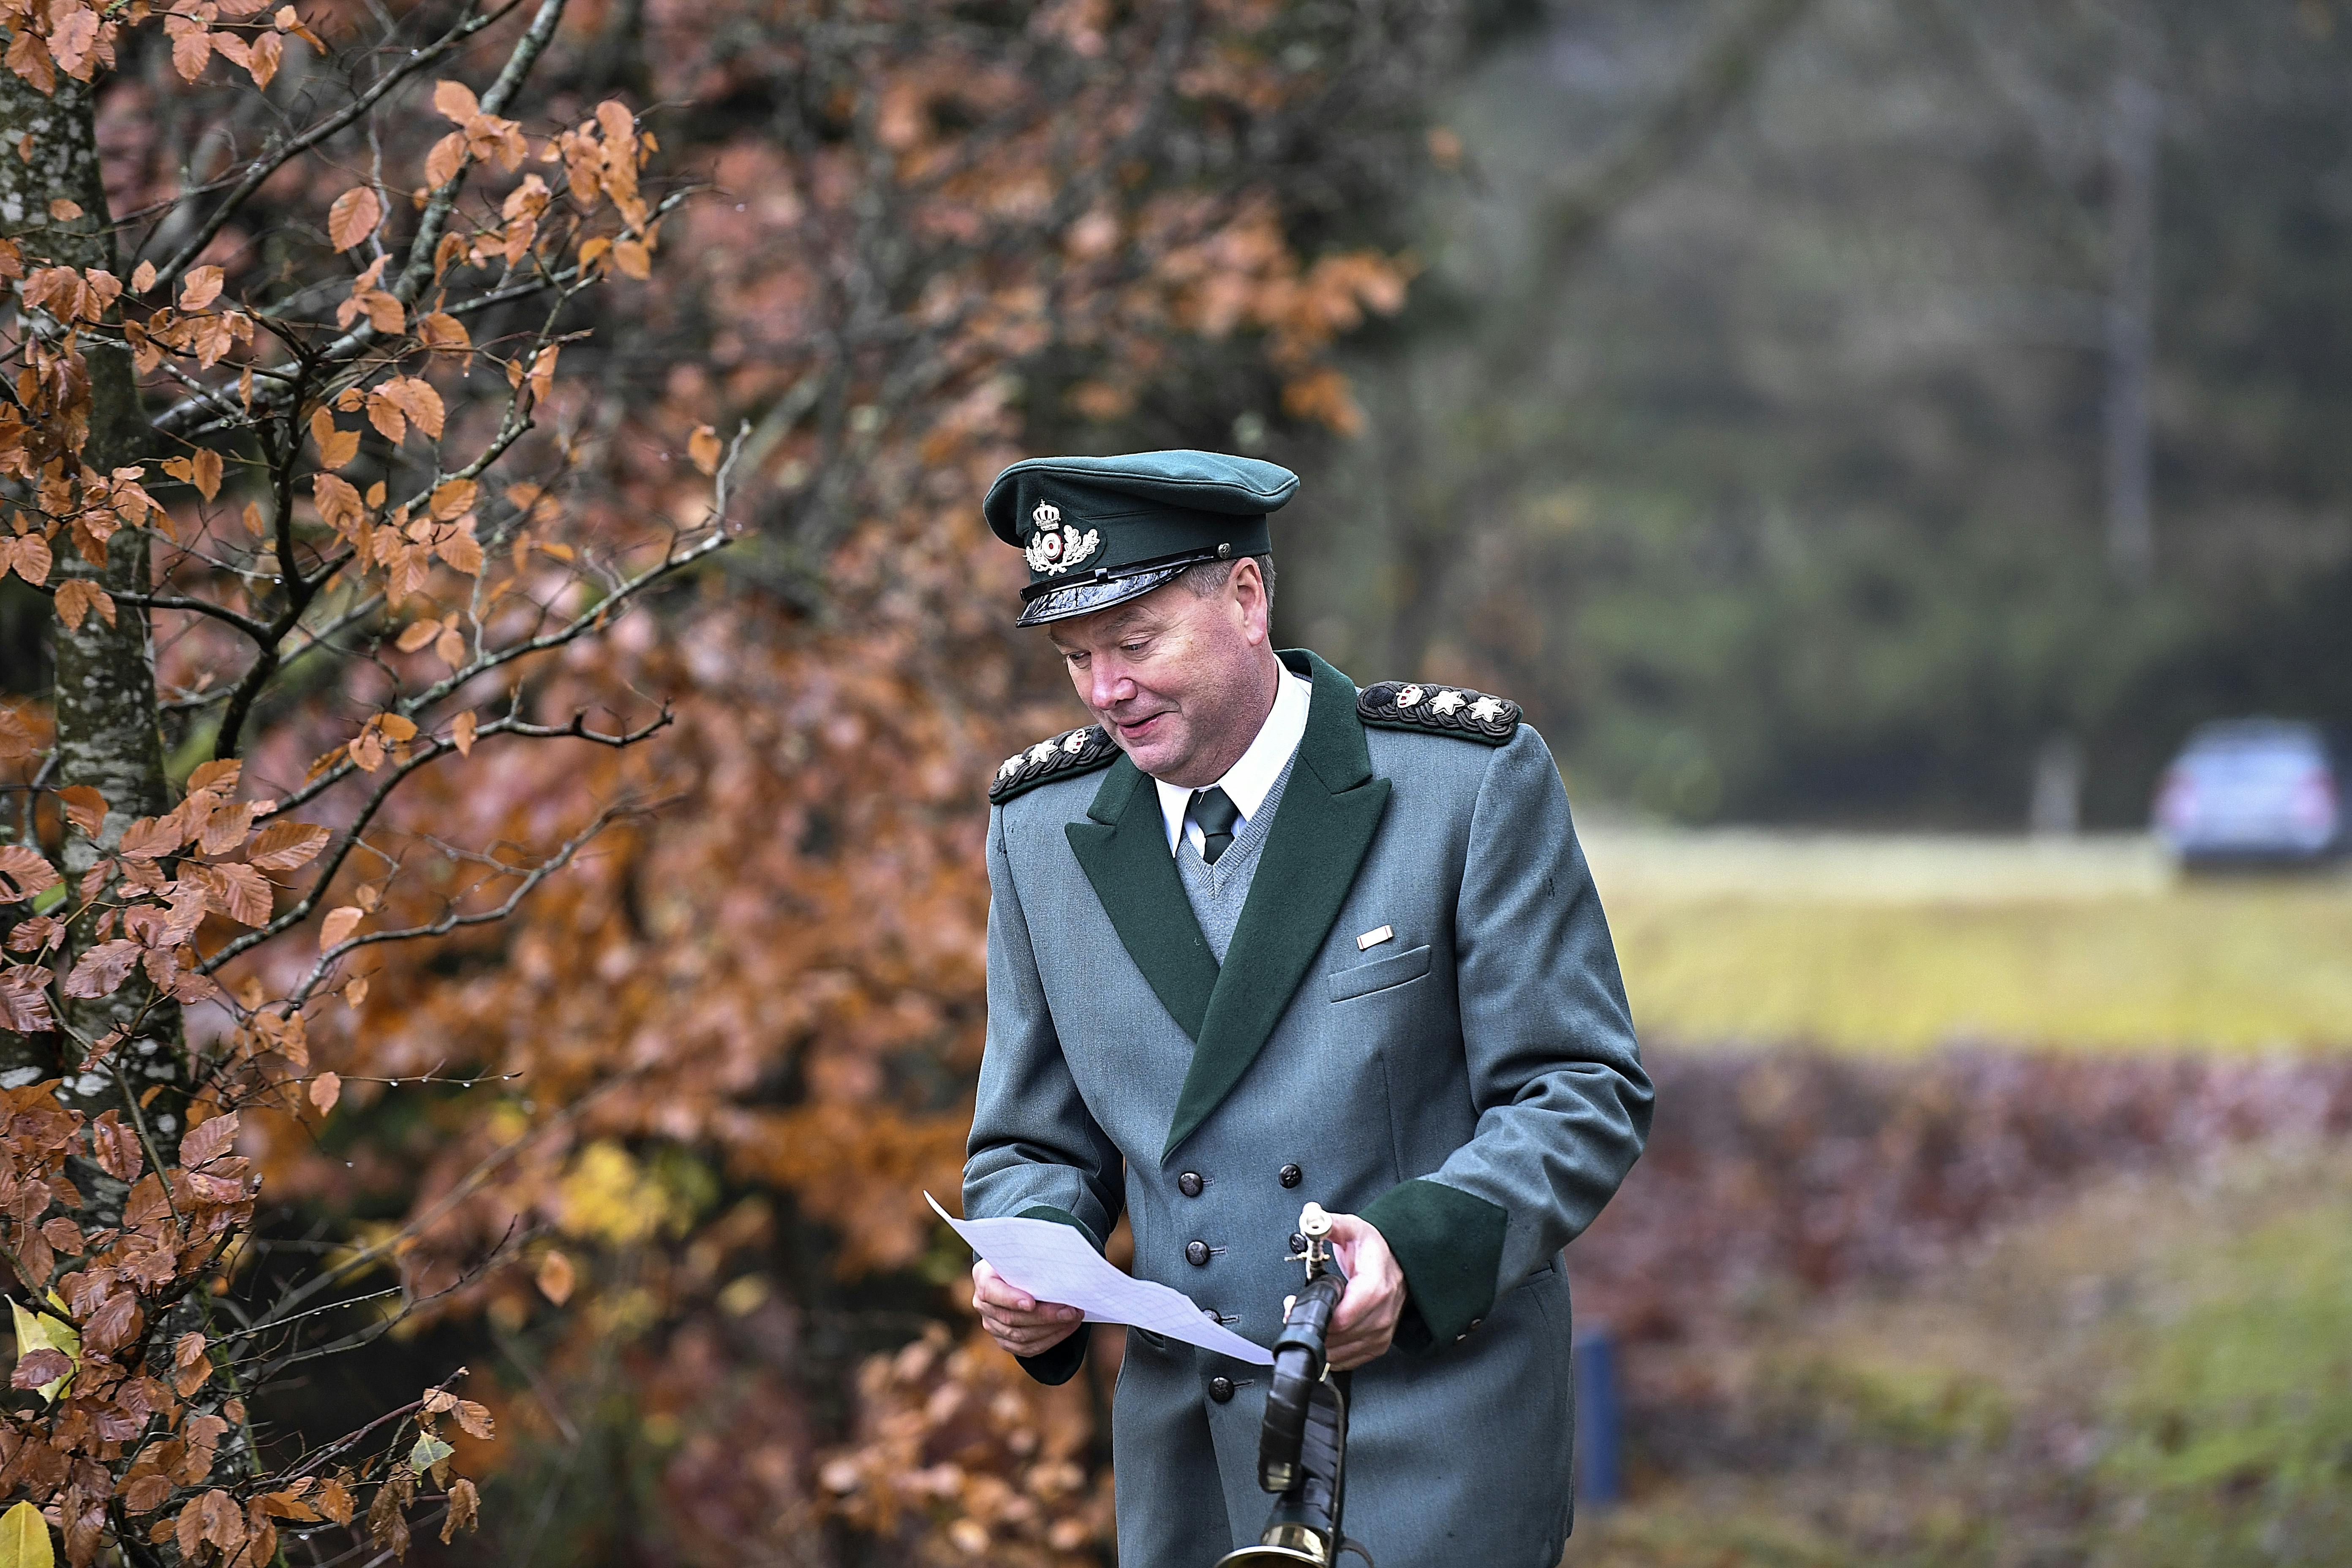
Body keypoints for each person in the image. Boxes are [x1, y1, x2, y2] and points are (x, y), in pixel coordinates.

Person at [964, 449, 1650, 1567]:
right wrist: (1033, 1254)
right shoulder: (1041, 832)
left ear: (1245, 597)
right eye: (1076, 657)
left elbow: (1582, 1090)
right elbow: (1032, 1141)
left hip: (1434, 1453)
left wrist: (1418, 1253)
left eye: (1135, 644)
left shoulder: (1463, 784)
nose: (1102, 689)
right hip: (1193, 1474)